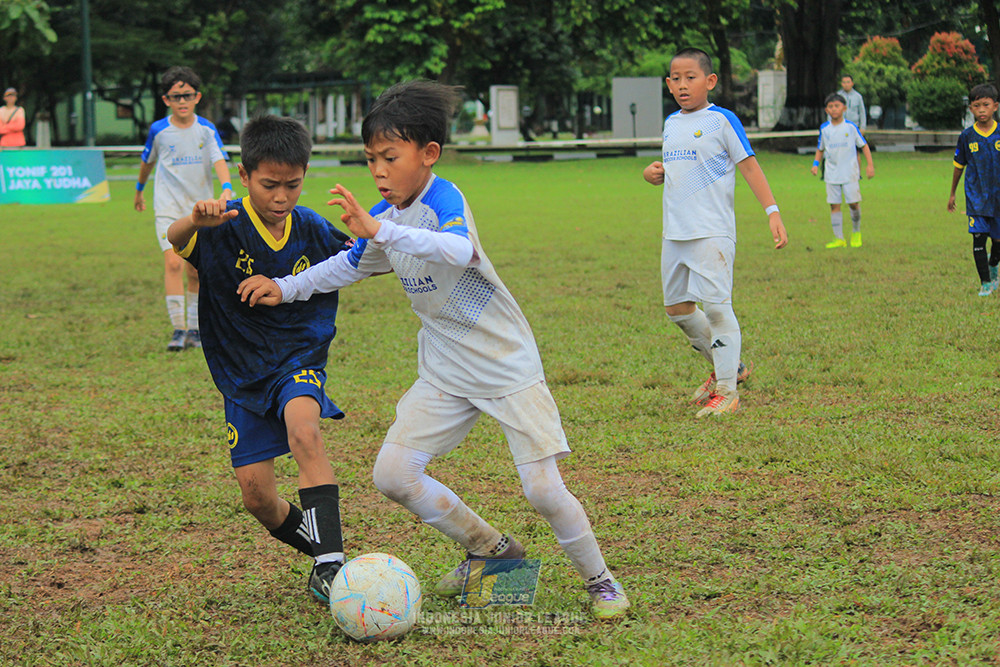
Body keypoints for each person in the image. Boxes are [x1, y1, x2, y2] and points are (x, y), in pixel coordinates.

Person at [237, 80, 631, 620]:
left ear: (428, 155)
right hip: (445, 369)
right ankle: (493, 552)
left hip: (505, 365)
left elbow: (457, 247)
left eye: (389, 158)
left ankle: (601, 582)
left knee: (541, 489)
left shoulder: (443, 199)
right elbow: (347, 266)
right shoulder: (385, 216)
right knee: (393, 475)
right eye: (371, 158)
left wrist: (384, 230)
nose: (378, 170)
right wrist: (284, 286)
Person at [166, 114, 355, 604]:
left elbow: (360, 260)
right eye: (269, 185)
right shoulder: (222, 225)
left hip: (299, 355)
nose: (282, 197)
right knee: (258, 499)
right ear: (245, 177)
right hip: (242, 371)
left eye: (293, 185)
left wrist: (369, 234)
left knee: (304, 429)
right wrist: (195, 218)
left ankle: (332, 567)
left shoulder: (311, 226)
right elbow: (175, 237)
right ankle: (323, 550)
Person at [642, 47, 787, 418]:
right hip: (674, 233)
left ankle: (727, 391)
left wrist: (772, 211)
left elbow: (750, 167)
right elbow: (677, 170)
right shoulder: (671, 123)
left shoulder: (722, 120)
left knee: (718, 308)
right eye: (675, 78)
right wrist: (653, 174)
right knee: (677, 309)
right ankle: (732, 366)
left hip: (712, 232)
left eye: (690, 77)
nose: (682, 85)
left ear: (710, 81)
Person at [135, 66, 234, 352]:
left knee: (194, 270)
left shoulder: (206, 129)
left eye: (187, 95)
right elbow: (147, 163)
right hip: (167, 207)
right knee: (173, 262)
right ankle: (178, 329)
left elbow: (219, 160)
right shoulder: (159, 131)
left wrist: (226, 187)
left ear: (197, 97)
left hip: (200, 212)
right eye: (176, 96)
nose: (182, 101)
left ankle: (195, 329)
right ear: (166, 100)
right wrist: (139, 189)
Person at [948, 83, 1000, 297]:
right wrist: (952, 193)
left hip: (998, 199)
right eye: (976, 106)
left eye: (985, 105)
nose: (981, 110)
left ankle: (994, 265)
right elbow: (959, 166)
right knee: (978, 239)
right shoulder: (967, 136)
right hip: (976, 198)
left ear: (995, 106)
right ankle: (985, 283)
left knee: (997, 242)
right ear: (970, 109)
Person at [811, 93, 875, 249]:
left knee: (853, 204)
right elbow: (821, 148)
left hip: (850, 173)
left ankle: (856, 232)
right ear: (826, 110)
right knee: (834, 205)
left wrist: (870, 165)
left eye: (837, 106)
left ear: (844, 108)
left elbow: (864, 145)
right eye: (831, 106)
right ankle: (839, 238)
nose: (834, 109)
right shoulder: (824, 129)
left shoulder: (851, 127)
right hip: (831, 173)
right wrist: (815, 164)